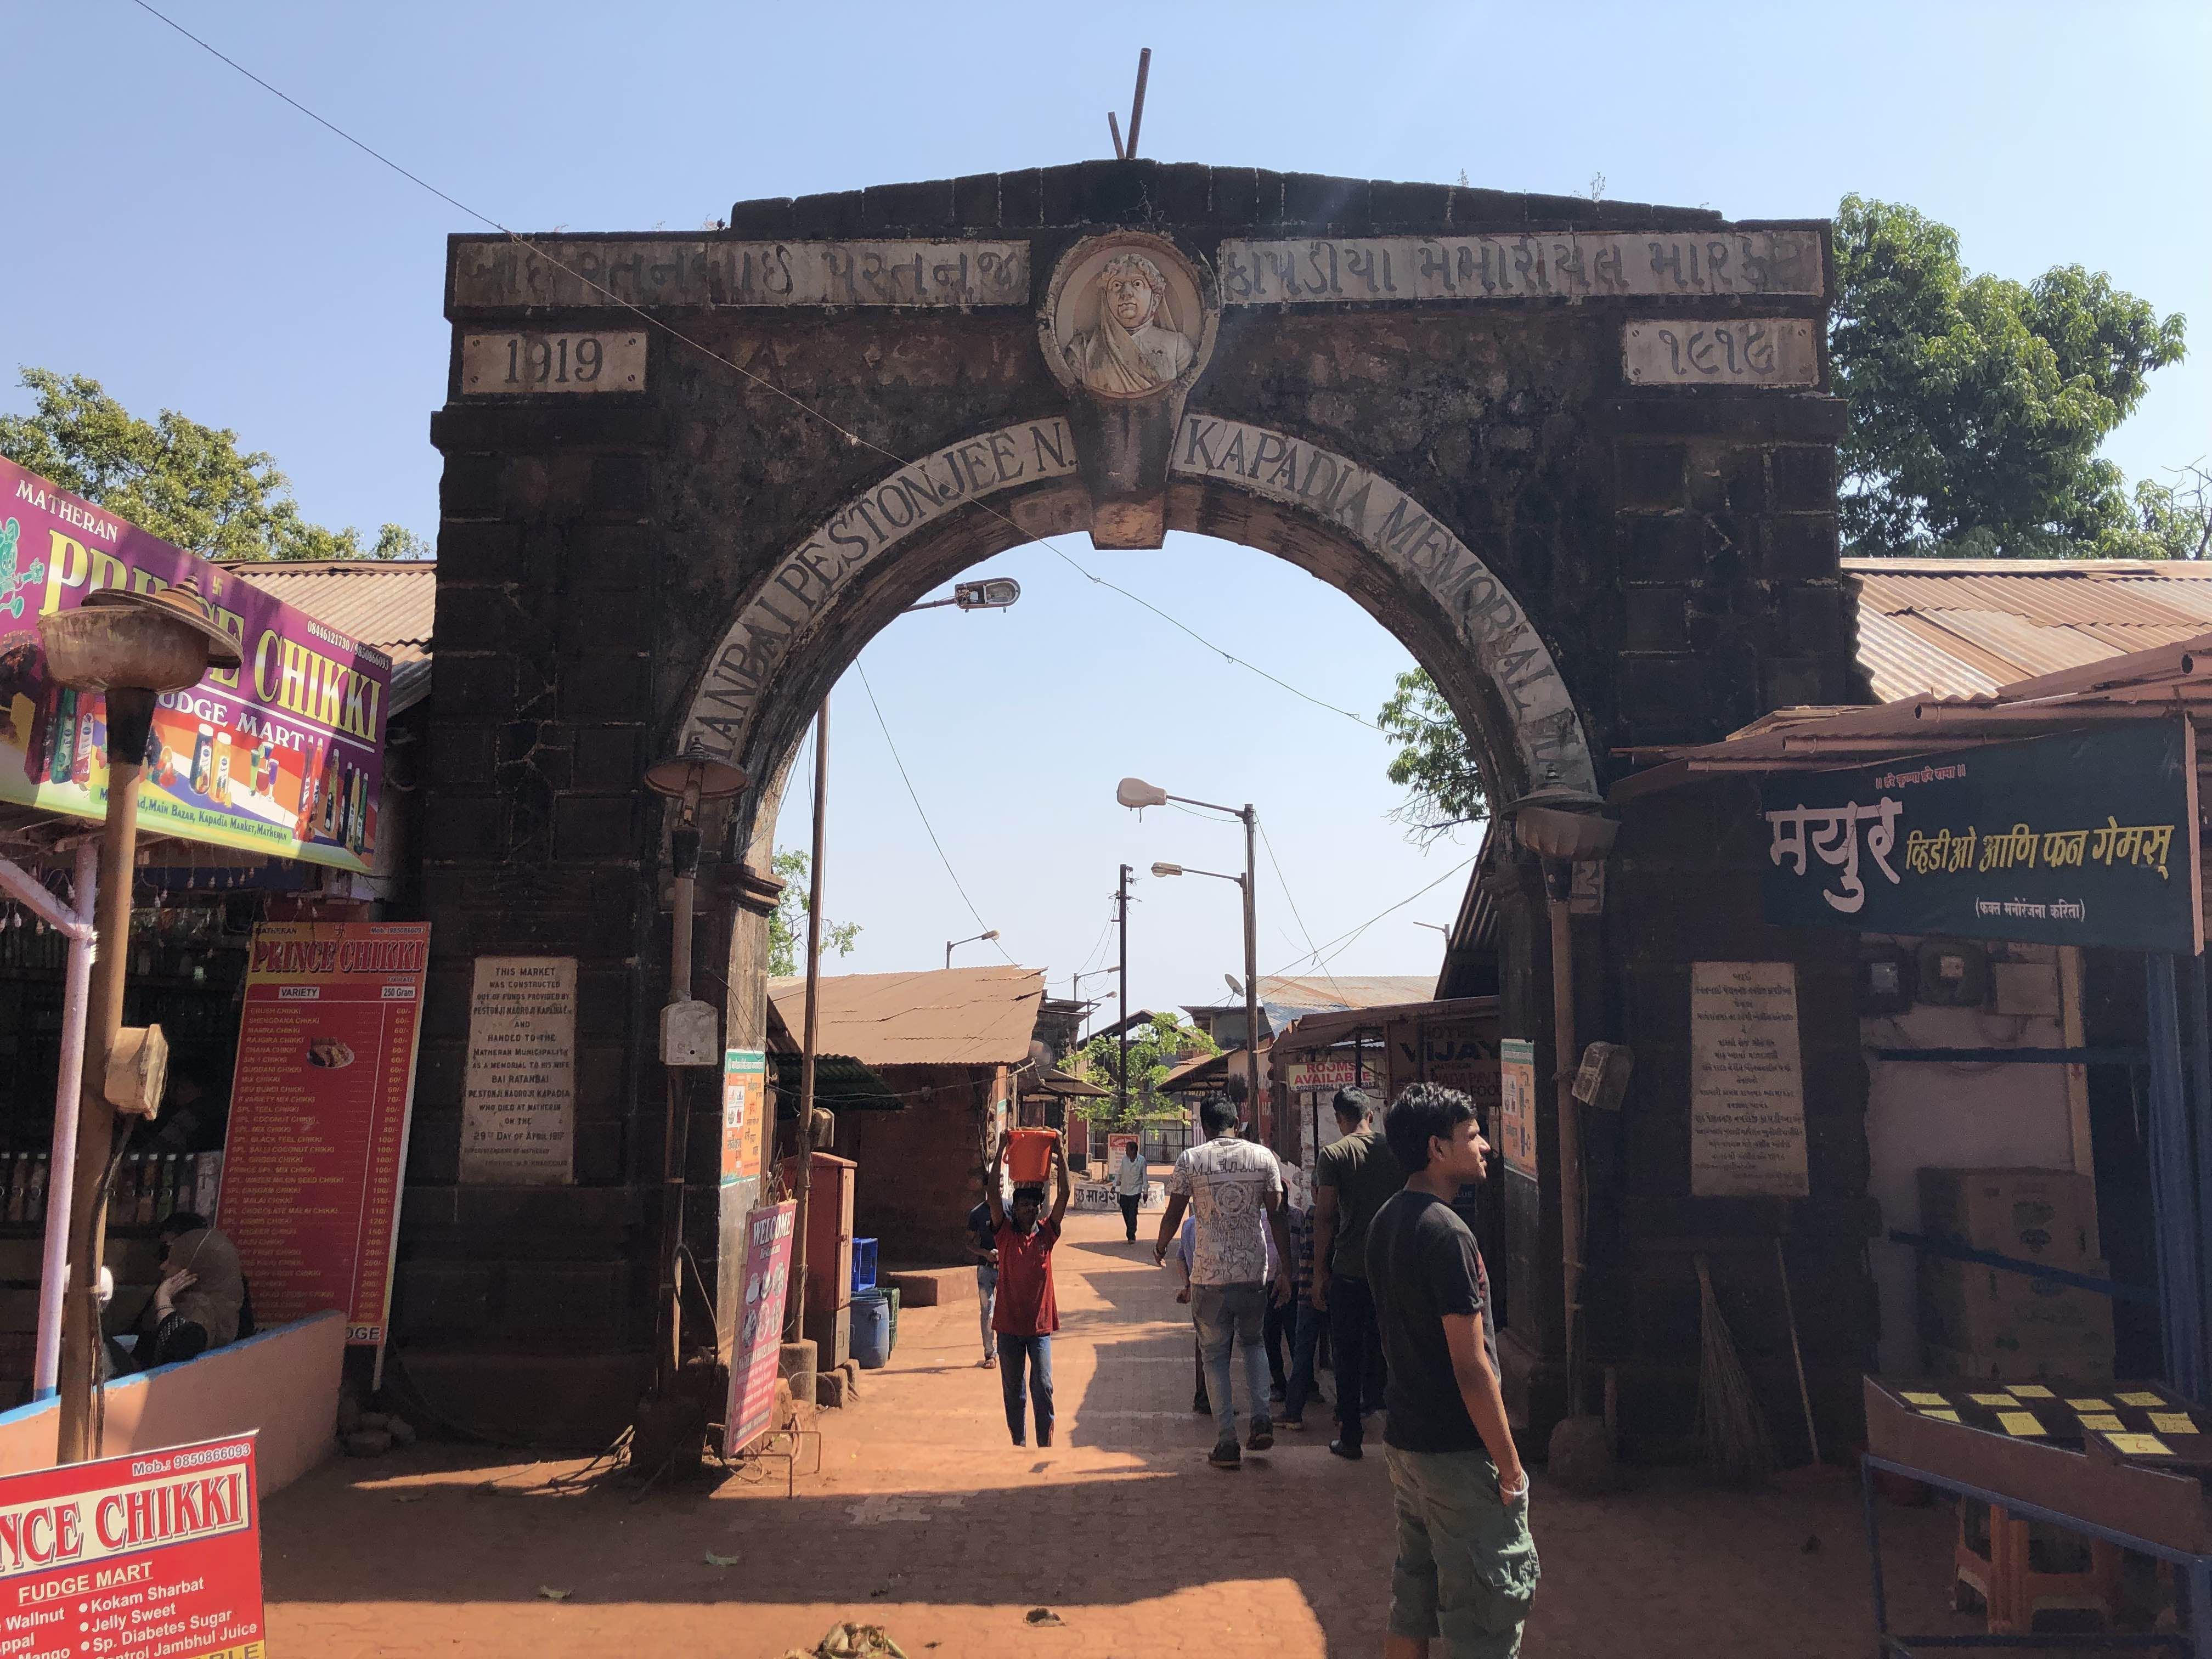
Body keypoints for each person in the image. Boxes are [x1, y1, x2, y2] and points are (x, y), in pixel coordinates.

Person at [1368, 1084, 1538, 1658]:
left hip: (1409, 1444)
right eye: (1472, 1136)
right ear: (1438, 1148)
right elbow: (1471, 1366)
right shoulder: (1447, 1232)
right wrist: (1511, 1468)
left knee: (1414, 1594)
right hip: (1457, 1456)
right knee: (1486, 1616)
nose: (1486, 1146)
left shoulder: (1387, 1220)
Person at [1154, 1094, 1292, 1471]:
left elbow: (1174, 1211)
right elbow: (1277, 1216)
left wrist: (1162, 1245)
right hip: (1253, 1271)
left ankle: (1227, 1441)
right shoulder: (1264, 1158)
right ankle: (1262, 1417)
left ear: (1206, 1125)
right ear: (1237, 1121)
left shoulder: (1191, 1160)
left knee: (1215, 1357)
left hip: (1209, 1275)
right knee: (1254, 1343)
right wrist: (1289, 1271)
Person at [1312, 1085, 1404, 1460]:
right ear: (1370, 1114)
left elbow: (1324, 1215)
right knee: (1394, 1351)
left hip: (1350, 1269)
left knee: (1347, 1355)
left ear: (1340, 1119)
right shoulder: (1395, 1151)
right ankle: (1401, 1433)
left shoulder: (1334, 1155)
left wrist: (1319, 1274)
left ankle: (1351, 1437)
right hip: (1392, 1268)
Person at [985, 1128, 1070, 1447]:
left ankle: (1044, 1444)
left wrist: (1060, 1153)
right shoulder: (1004, 1234)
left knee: (1043, 1386)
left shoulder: (1047, 1235)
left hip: (1039, 1329)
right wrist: (1000, 1153)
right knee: (1014, 1390)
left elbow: (1063, 1196)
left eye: (1034, 1206)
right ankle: (1018, 1443)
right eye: (1023, 1206)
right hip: (1007, 1328)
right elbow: (993, 1193)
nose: (1030, 1211)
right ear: (1015, 1209)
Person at [117, 1212, 247, 1372]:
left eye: (173, 1261)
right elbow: (143, 1353)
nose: (163, 1266)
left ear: (193, 1270)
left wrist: (163, 1300)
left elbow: (179, 1347)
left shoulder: (204, 1311)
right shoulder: (180, 1299)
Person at [1060, 250, 1197, 396]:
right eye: (1117, 285)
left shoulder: (1178, 347)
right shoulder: (1081, 349)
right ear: (1106, 299)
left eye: (1137, 284)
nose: (1126, 293)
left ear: (1155, 300)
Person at [1280, 1193, 1328, 1429]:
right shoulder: (1345, 1213)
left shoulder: (1311, 1215)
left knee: (1303, 1350)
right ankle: (1346, 1413)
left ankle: (1293, 1411)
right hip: (1338, 1290)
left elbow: (1306, 1252)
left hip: (1308, 1290)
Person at [966, 1188, 1000, 1369]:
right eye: (996, 1186)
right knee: (987, 1312)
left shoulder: (1009, 1209)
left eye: (1001, 1186)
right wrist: (986, 1253)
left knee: (1006, 1311)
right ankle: (990, 1354)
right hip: (985, 1270)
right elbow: (969, 1243)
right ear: (988, 1189)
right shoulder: (976, 1214)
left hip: (1006, 1270)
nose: (999, 1190)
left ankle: (1007, 1350)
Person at [1114, 1138, 1149, 1243]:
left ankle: (1131, 1235)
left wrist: (1145, 1192)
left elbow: (1144, 1177)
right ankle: (1130, 1228)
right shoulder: (1125, 1160)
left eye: (1128, 1150)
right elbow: (1120, 1173)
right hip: (1124, 1190)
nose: (1126, 1151)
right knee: (1125, 1211)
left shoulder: (1142, 1161)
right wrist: (1114, 1185)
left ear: (1133, 1151)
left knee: (1132, 1213)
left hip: (1136, 1190)